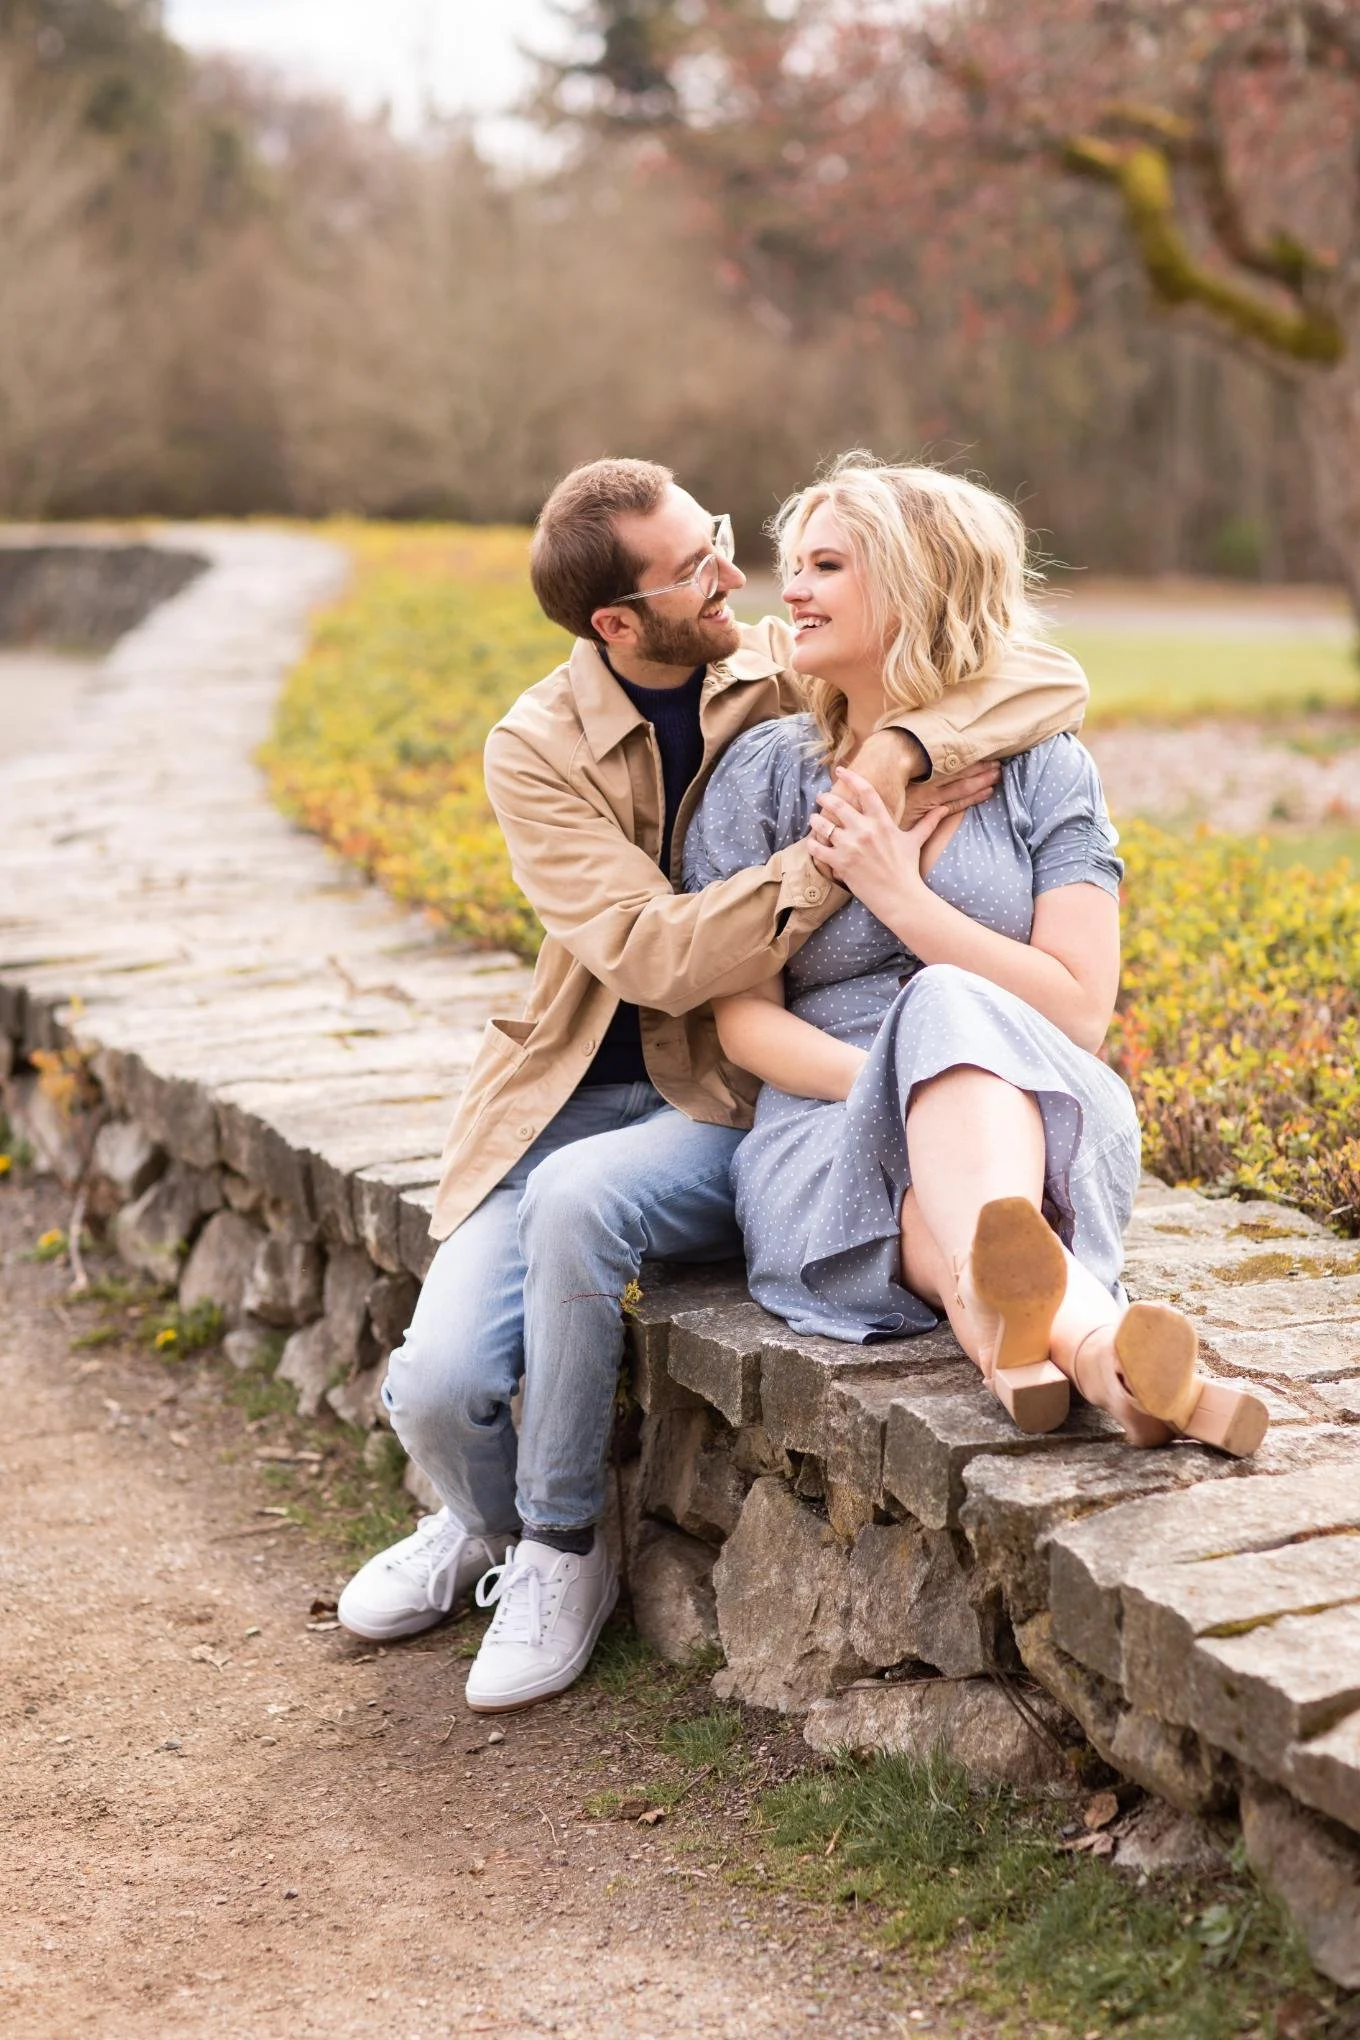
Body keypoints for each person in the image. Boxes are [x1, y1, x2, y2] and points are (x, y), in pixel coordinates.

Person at [338, 456, 1094, 1710]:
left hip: (718, 1104)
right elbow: (655, 953)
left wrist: (899, 751)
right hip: (575, 1087)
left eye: (723, 539)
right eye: (699, 567)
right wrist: (838, 857)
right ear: (617, 624)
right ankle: (485, 1529)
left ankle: (562, 1551)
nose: (737, 578)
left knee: (591, 1209)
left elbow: (1039, 671)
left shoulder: (768, 669)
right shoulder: (535, 747)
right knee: (440, 1387)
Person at [683, 454, 1268, 1457]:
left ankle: (1048, 1355)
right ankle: (1098, 1355)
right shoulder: (765, 776)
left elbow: (1078, 1014)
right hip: (826, 1132)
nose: (794, 592)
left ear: (915, 585)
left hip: (1038, 1103)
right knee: (948, 1104)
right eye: (796, 565)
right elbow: (742, 1022)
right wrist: (910, 1085)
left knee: (951, 1000)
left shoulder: (1045, 769)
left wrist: (901, 898)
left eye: (826, 566)